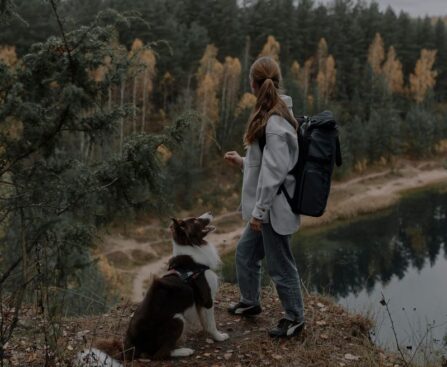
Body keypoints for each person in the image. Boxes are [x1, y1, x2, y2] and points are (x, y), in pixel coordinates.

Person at [224, 56, 305, 338]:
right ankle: (250, 302)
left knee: (281, 266)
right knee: (245, 254)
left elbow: (275, 172)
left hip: (273, 210)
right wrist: (243, 162)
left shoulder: (274, 121)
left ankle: (295, 318)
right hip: (267, 209)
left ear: (254, 83)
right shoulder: (271, 114)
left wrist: (258, 213)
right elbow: (266, 166)